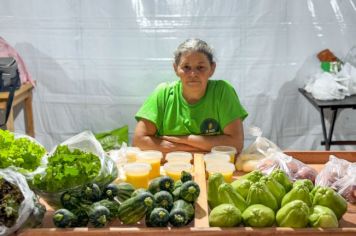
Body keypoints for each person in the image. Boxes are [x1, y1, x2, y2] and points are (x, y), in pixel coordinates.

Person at [133, 38, 248, 155]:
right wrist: (202, 147)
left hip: (215, 167)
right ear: (175, 69)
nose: (193, 74)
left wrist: (184, 140)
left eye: (200, 67)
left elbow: (236, 143)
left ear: (212, 69)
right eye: (186, 67)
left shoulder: (223, 91)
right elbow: (139, 141)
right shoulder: (163, 93)